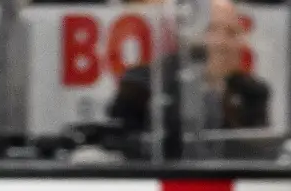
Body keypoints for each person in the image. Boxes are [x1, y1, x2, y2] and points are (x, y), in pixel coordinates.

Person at [106, 0, 270, 158]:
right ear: (188, 37)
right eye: (211, 30)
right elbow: (118, 144)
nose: (222, 42)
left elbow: (259, 154)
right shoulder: (143, 84)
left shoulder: (252, 92)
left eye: (232, 33)